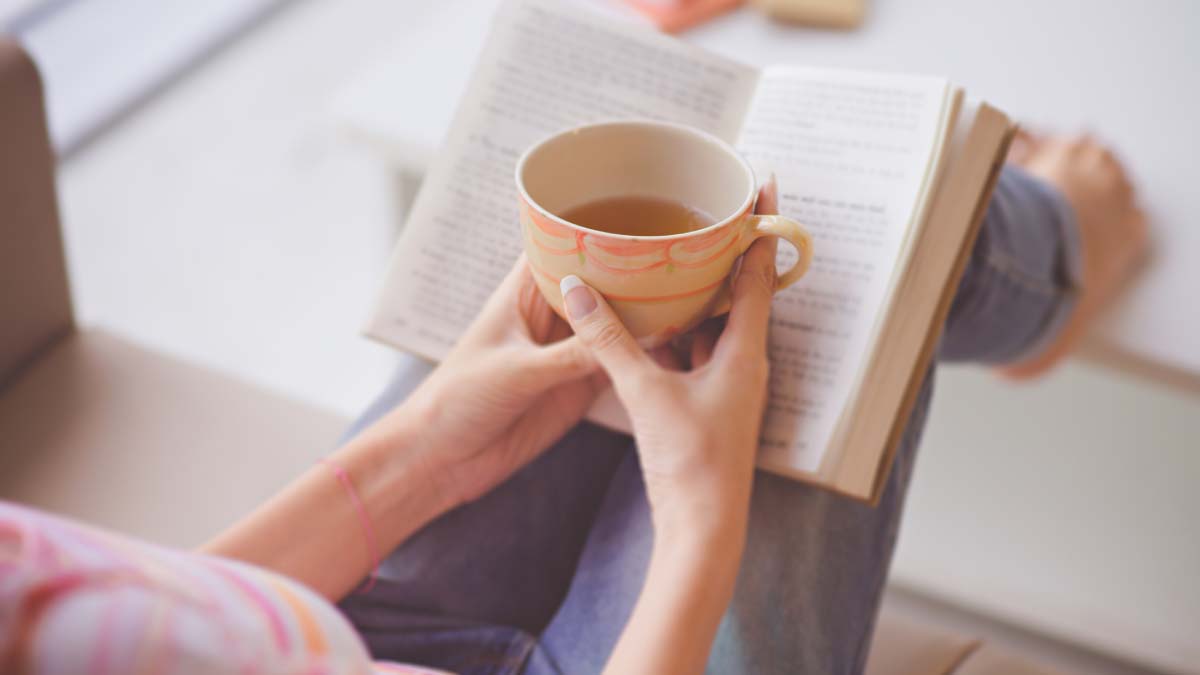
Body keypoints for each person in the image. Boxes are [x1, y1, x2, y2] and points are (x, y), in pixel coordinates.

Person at [1, 133, 1146, 675]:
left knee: (715, 188)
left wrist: (421, 456)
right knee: (841, 259)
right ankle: (1056, 268)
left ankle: (1037, 260)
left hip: (350, 635)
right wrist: (698, 522)